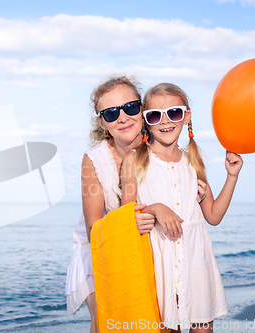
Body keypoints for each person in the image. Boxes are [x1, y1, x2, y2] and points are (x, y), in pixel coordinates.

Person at [65, 77, 208, 333]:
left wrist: (198, 191)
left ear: (143, 109)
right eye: (110, 113)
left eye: (130, 107)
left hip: (152, 243)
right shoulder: (94, 160)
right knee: (105, 316)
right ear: (102, 122)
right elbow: (93, 230)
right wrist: (140, 214)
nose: (122, 117)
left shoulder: (162, 142)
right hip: (102, 245)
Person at [120, 83, 243, 333]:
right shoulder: (134, 160)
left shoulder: (193, 161)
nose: (165, 121)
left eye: (174, 113)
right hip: (159, 263)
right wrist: (155, 208)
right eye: (155, 115)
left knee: (203, 329)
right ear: (146, 121)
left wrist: (232, 176)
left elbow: (214, 216)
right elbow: (126, 218)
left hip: (196, 261)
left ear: (186, 116)